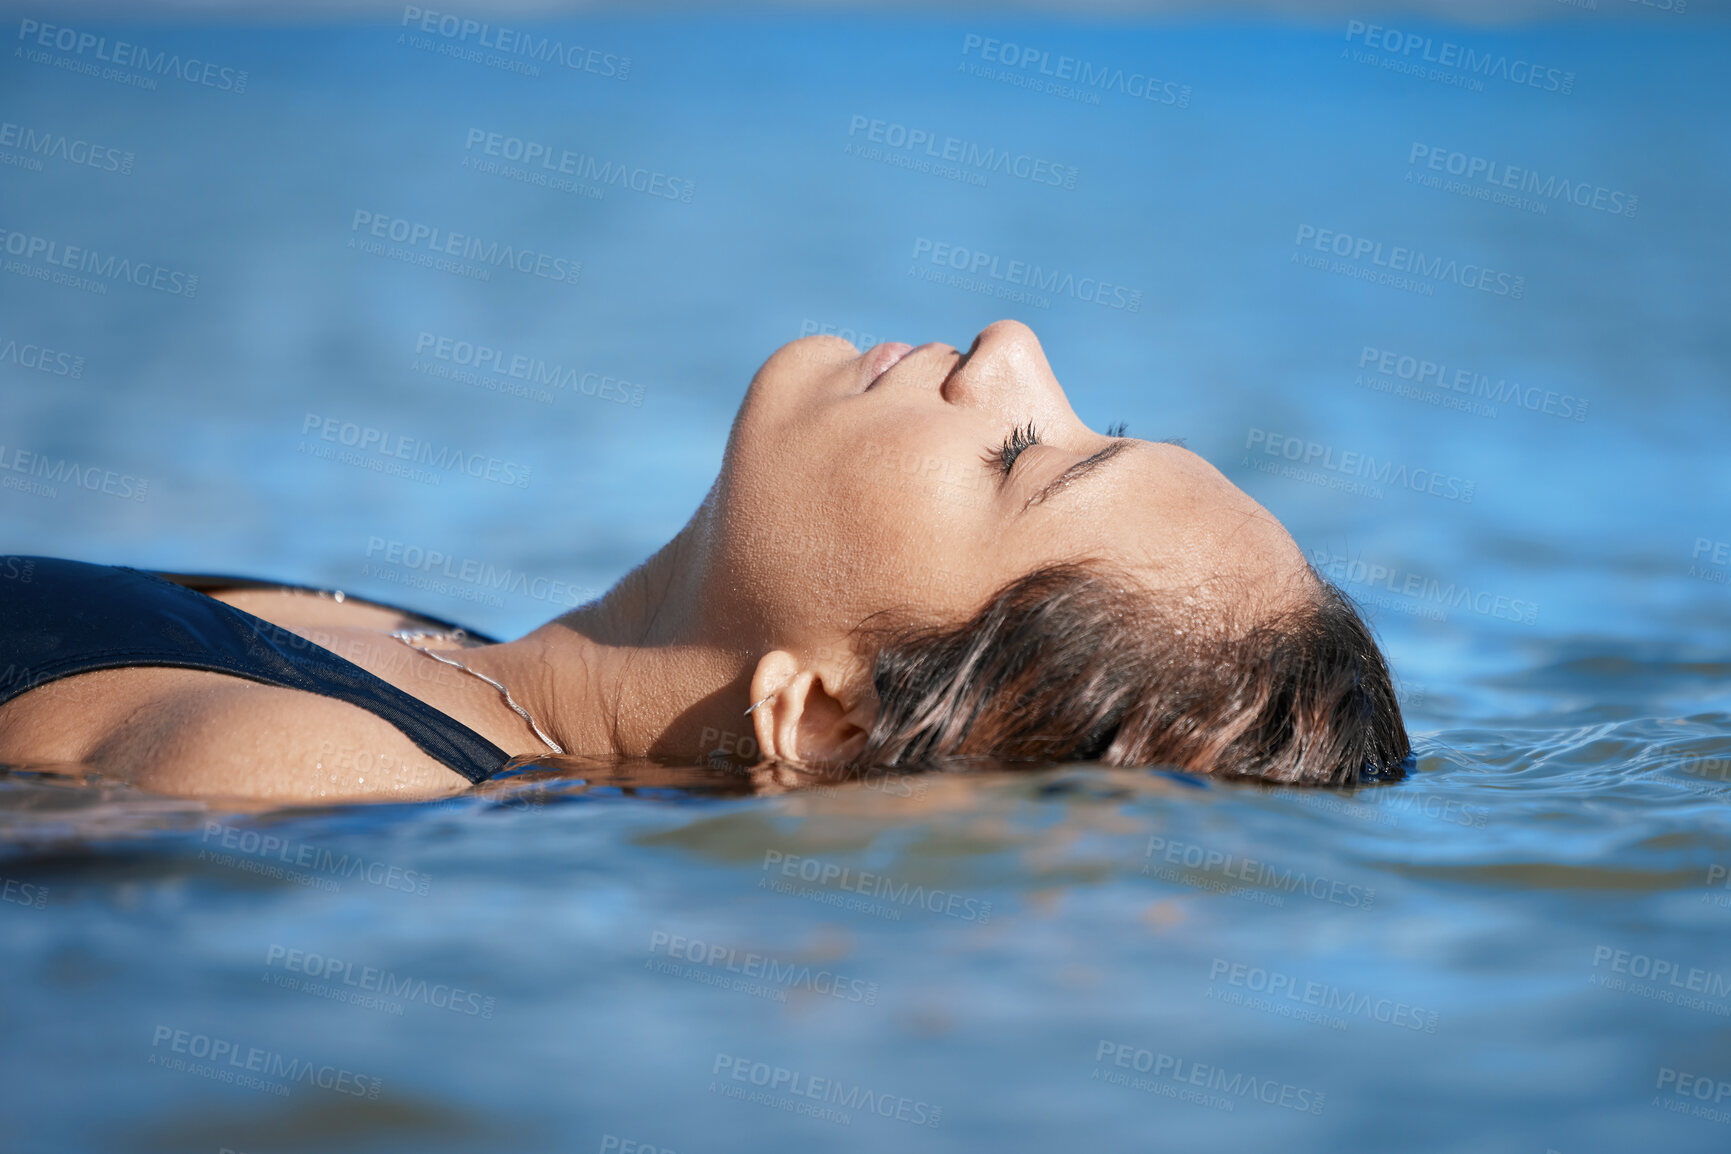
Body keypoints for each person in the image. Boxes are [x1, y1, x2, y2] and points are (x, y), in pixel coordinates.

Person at [0, 321, 1409, 802]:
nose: (1013, 348)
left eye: (1020, 459)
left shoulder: (333, 778)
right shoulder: (438, 661)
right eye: (1097, 416)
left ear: (826, 716)